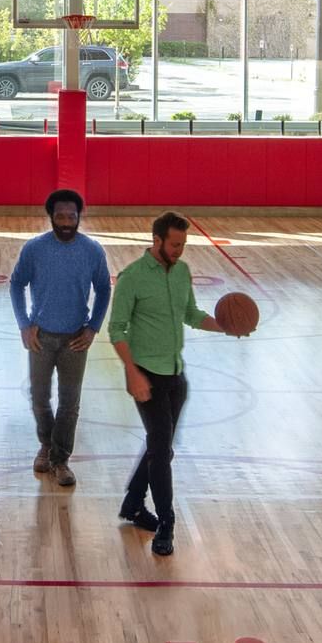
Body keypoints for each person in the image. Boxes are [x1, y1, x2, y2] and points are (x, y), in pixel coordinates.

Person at [106, 212, 244, 556]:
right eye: (174, 244)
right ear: (156, 240)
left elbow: (191, 314)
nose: (179, 250)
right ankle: (166, 523)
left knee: (161, 447)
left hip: (175, 375)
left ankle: (133, 503)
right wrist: (132, 372)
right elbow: (116, 329)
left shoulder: (182, 272)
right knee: (160, 450)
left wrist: (225, 327)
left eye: (183, 244)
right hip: (145, 376)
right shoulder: (132, 278)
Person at [9, 189, 110, 487]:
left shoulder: (92, 251)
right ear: (51, 217)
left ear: (79, 217)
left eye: (72, 217)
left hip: (75, 339)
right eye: (61, 216)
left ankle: (60, 460)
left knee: (69, 404)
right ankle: (46, 445)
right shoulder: (34, 249)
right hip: (41, 337)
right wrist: (24, 324)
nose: (66, 222)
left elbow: (104, 289)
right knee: (39, 398)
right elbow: (16, 284)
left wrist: (93, 327)